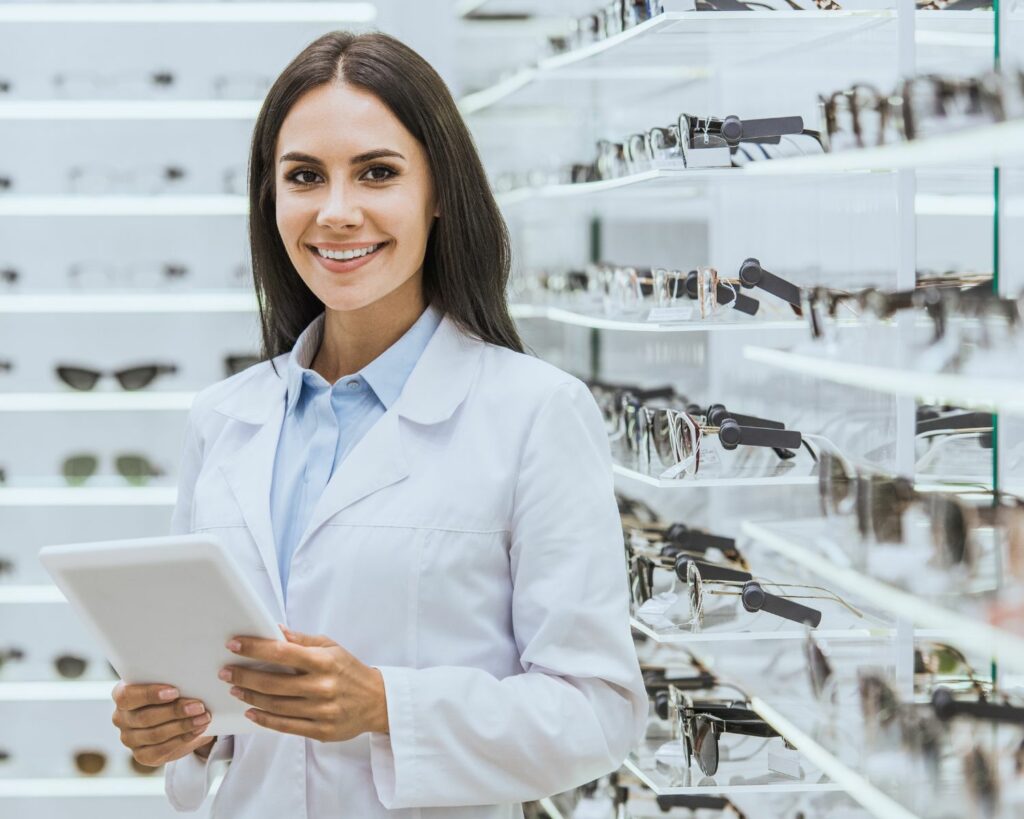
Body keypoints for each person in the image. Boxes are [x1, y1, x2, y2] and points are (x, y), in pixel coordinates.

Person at [110, 30, 647, 818]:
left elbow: (600, 711)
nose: (336, 212)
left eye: (377, 173)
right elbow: (217, 703)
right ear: (272, 196)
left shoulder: (535, 413)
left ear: (438, 191)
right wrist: (175, 726)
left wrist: (386, 705)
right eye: (303, 176)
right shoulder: (223, 418)